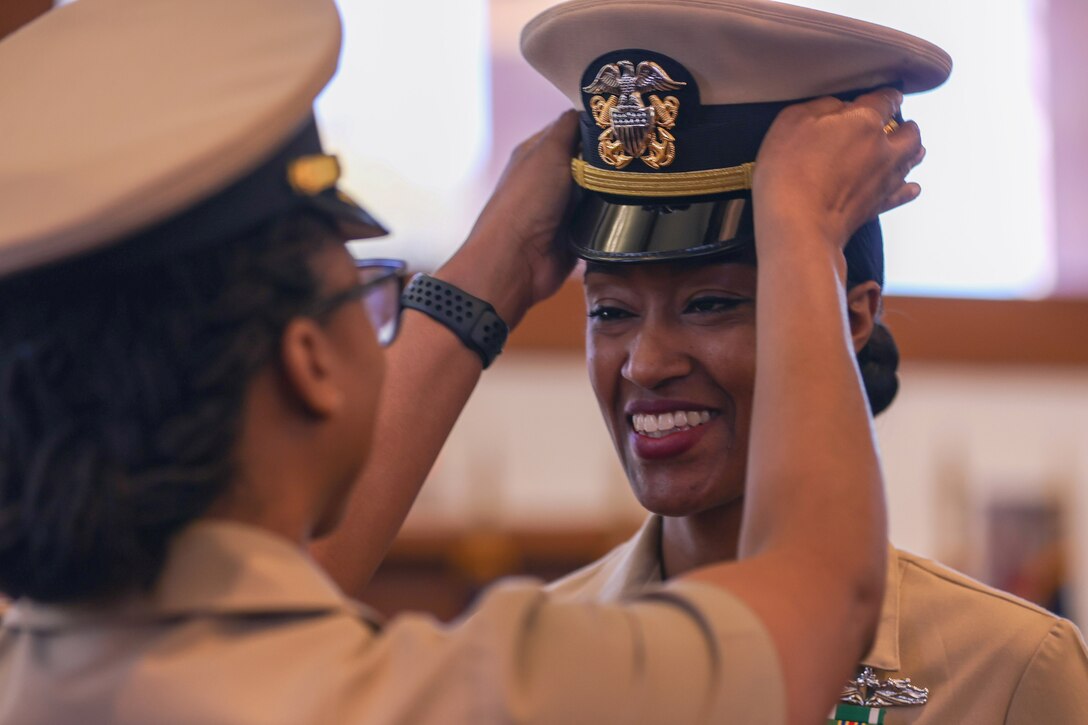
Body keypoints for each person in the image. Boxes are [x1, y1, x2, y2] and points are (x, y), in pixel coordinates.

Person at [0, 0, 922, 722]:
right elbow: (824, 590)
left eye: (712, 301)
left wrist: (489, 274)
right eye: (369, 293)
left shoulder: (36, 663)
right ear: (309, 360)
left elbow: (277, 584)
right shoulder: (458, 697)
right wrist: (800, 231)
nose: (645, 361)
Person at [515, 1, 1088, 723]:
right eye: (611, 311)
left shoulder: (1000, 669)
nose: (646, 363)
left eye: (711, 303)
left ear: (849, 317)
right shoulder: (533, 665)